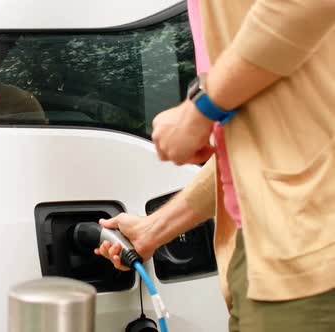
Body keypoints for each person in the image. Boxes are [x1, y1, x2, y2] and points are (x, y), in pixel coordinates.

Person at [96, 1, 335, 331]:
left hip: (309, 251)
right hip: (263, 250)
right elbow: (263, 144)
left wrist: (200, 109)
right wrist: (155, 228)